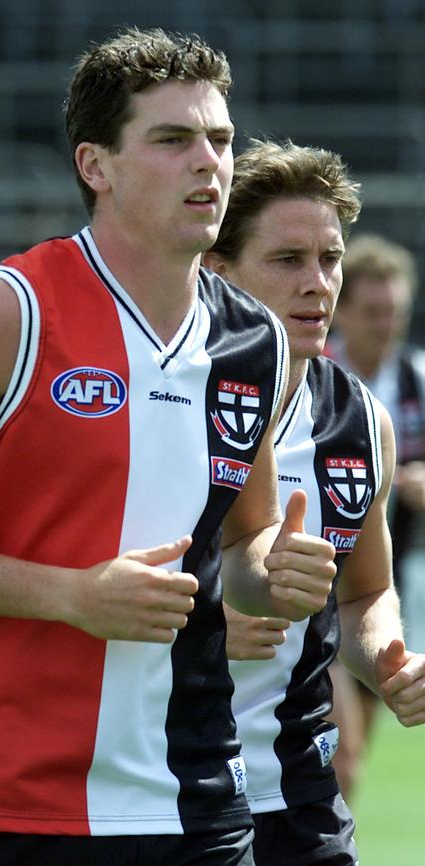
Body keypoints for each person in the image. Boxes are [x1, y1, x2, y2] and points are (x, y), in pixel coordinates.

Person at [0, 28, 338, 866]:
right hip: (17, 805)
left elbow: (242, 545)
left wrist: (277, 573)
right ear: (95, 166)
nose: (208, 161)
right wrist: (69, 594)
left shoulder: (259, 343)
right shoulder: (10, 312)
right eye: (172, 140)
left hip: (200, 801)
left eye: (220, 138)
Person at [205, 138, 425, 866]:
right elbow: (72, 577)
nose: (317, 284)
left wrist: (389, 662)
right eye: (287, 260)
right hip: (168, 788)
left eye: (329, 259)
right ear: (218, 271)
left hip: (299, 788)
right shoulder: (163, 400)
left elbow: (366, 594)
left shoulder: (362, 421)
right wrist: (205, 618)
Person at [325, 234, 425, 800]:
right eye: (371, 311)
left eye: (396, 312)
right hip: (313, 597)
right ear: (342, 311)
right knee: (340, 757)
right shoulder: (309, 376)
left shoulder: (416, 381)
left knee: (344, 770)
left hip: (377, 596)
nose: (385, 324)